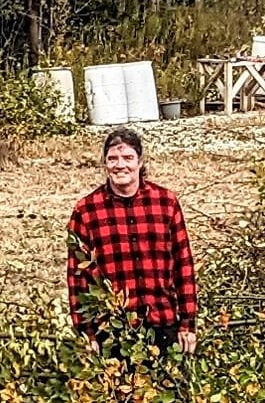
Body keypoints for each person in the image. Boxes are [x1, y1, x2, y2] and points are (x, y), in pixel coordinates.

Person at [67, 128, 198, 354]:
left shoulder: (166, 203)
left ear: (140, 162)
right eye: (113, 159)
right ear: (105, 164)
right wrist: (85, 332)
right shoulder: (86, 210)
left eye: (128, 158)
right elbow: (77, 277)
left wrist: (188, 322)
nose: (120, 165)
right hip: (112, 328)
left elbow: (183, 265)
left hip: (163, 323)